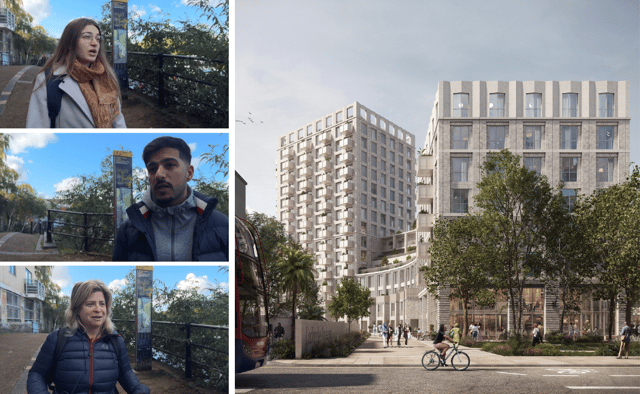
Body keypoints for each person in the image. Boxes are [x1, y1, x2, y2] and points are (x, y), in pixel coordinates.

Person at [113, 136, 229, 261]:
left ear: (189, 173)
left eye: (169, 165)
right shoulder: (129, 229)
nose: (159, 174)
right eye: (152, 169)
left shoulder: (221, 225)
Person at [27, 280, 150, 394]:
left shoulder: (116, 341)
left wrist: (138, 389)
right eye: (90, 304)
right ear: (77, 309)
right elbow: (37, 375)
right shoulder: (57, 338)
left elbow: (126, 373)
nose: (98, 310)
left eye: (102, 304)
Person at [27, 18, 126, 128]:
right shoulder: (48, 80)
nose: (94, 43)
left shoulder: (107, 79)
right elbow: (37, 127)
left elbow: (118, 121)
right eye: (87, 37)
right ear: (70, 43)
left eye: (98, 39)